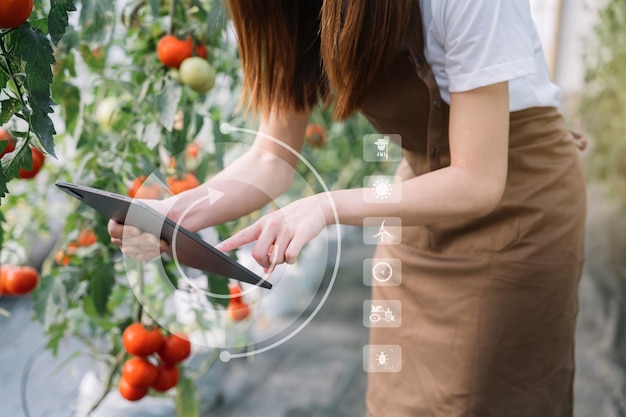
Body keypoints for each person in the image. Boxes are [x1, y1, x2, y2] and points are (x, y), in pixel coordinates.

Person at [109, 0, 587, 416]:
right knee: (402, 398)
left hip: (519, 205)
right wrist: (173, 214)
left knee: (493, 399)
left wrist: (327, 205)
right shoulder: (292, 10)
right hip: (417, 199)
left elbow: (479, 181)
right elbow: (270, 159)